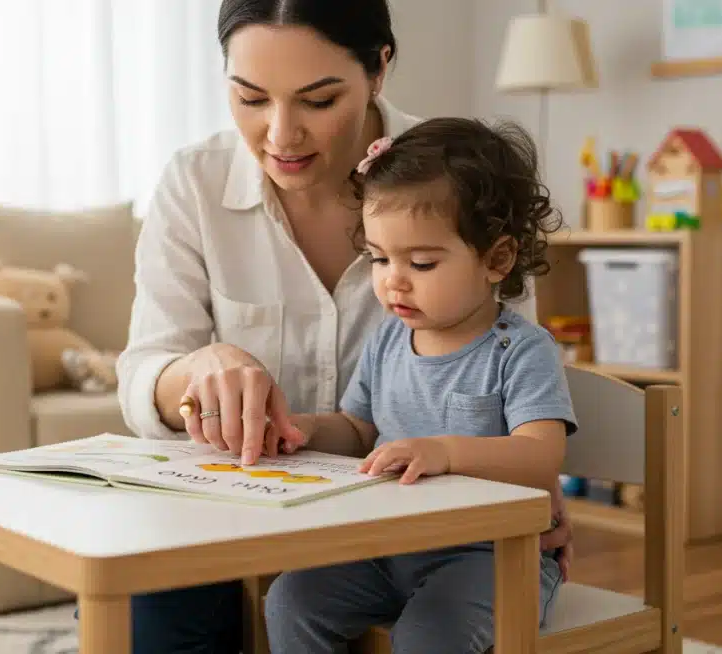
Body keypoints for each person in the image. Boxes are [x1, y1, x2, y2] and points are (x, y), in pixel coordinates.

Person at [115, 1, 574, 651]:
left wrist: (530, 482)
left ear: (379, 68)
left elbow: (505, 369)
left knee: (434, 628)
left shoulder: (459, 181)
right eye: (249, 97)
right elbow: (144, 370)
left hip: (415, 527)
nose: (280, 135)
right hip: (246, 503)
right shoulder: (195, 182)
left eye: (318, 101)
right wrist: (198, 371)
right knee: (159, 614)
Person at [262, 116, 573, 653]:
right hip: (388, 546)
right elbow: (359, 429)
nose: (392, 280)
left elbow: (540, 456)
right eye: (379, 258)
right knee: (291, 597)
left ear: (496, 259)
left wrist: (443, 451)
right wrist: (304, 428)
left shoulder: (520, 351)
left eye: (421, 262)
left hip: (491, 557)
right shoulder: (388, 341)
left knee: (431, 635)